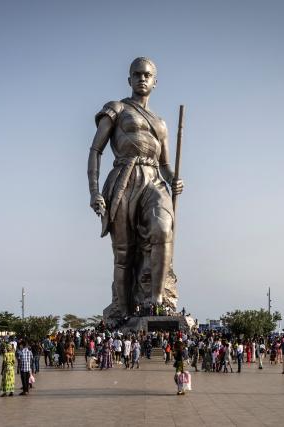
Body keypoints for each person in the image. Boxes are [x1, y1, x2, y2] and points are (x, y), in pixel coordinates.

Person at [87, 57, 184, 321]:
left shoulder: (161, 123)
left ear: (155, 82)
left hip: (153, 179)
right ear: (129, 79)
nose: (142, 78)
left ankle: (156, 301)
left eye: (147, 75)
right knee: (124, 252)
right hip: (124, 178)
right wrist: (94, 191)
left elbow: (165, 165)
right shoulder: (116, 109)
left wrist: (174, 178)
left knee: (164, 229)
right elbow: (96, 150)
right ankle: (123, 311)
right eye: (137, 74)